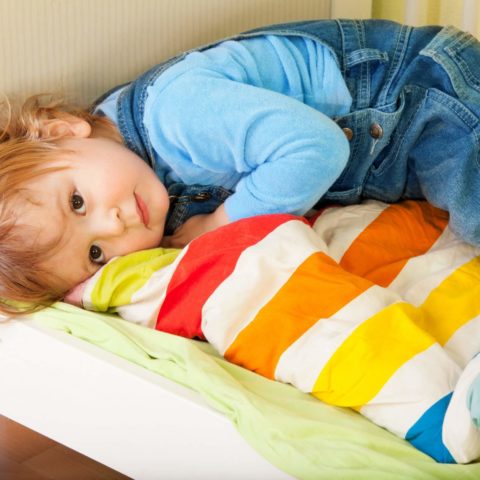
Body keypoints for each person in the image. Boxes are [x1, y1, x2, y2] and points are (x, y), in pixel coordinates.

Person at [2, 18, 480, 313]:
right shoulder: (128, 169)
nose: (114, 224)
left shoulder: (176, 113)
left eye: (78, 202)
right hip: (401, 152)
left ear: (61, 130)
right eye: (96, 255)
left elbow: (319, 148)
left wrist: (221, 222)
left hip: (430, 97)